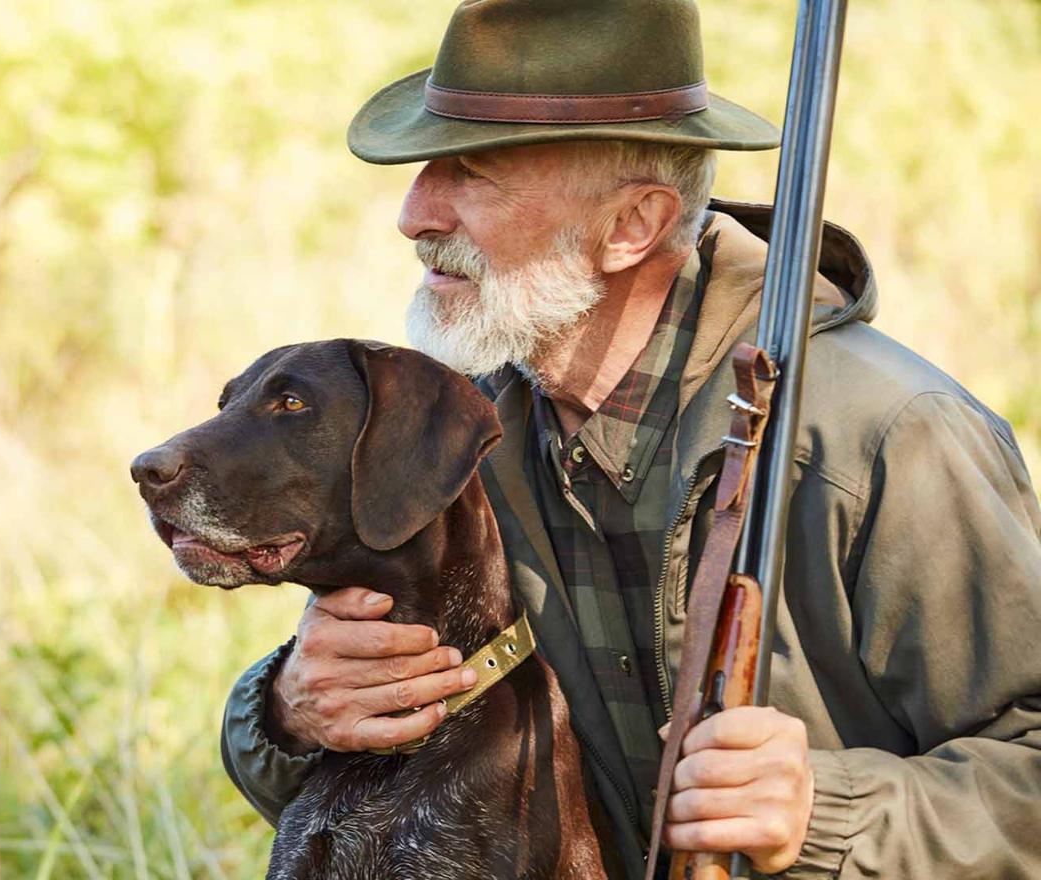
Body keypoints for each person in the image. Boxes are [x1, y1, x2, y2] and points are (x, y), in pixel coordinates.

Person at [216, 1, 1041, 877]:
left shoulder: (887, 437)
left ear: (631, 227)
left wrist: (824, 814)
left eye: (475, 173)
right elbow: (390, 791)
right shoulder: (459, 442)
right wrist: (288, 713)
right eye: (427, 170)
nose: (415, 214)